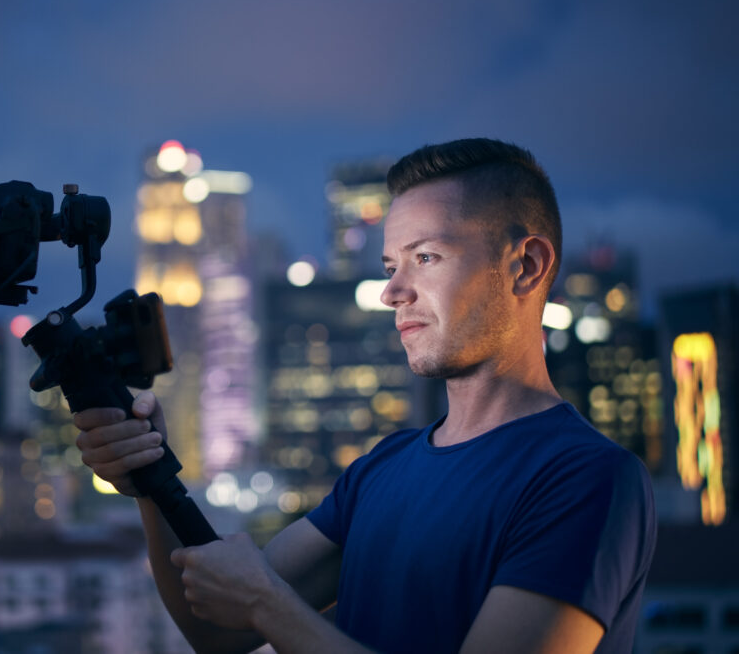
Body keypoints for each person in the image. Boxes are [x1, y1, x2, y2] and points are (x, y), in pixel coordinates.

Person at [73, 138, 657, 653]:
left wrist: (267, 605)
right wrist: (149, 476)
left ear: (526, 266)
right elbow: (218, 630)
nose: (391, 292)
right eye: (389, 265)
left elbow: (255, 604)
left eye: (425, 258)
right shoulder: (382, 468)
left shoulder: (589, 479)